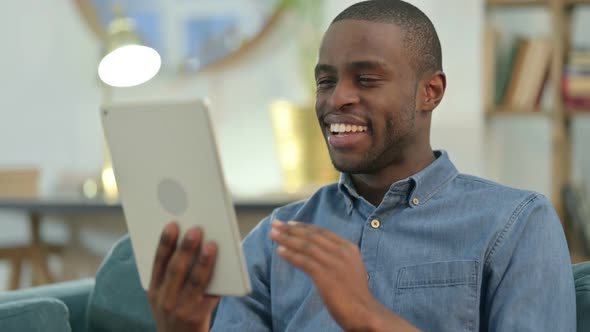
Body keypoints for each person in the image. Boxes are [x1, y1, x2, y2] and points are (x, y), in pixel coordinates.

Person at [147, 1, 576, 331]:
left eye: (366, 79)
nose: (336, 99)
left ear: (430, 92)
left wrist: (368, 317)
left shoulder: (517, 224)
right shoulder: (277, 240)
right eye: (326, 81)